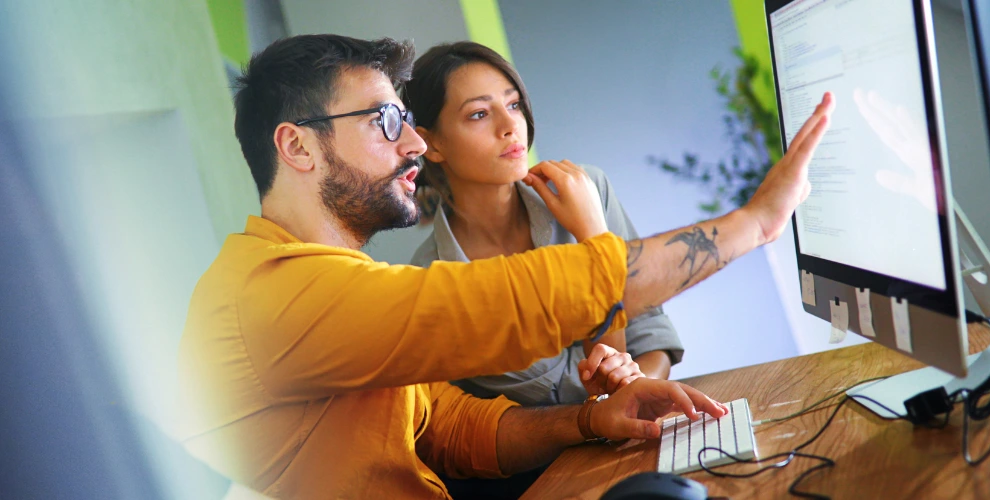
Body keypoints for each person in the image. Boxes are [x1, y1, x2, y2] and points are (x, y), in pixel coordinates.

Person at [177, 33, 834, 499]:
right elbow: (514, 301)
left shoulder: (343, 285)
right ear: (297, 146)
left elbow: (451, 427)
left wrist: (589, 419)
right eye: (384, 122)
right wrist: (755, 222)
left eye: (406, 121)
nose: (412, 144)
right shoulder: (272, 294)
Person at [406, 42, 679, 407]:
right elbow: (586, 389)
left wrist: (637, 390)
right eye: (479, 114)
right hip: (554, 462)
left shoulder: (588, 190)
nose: (510, 126)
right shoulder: (433, 284)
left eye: (514, 104)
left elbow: (651, 337)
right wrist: (594, 240)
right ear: (430, 143)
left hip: (641, 428)